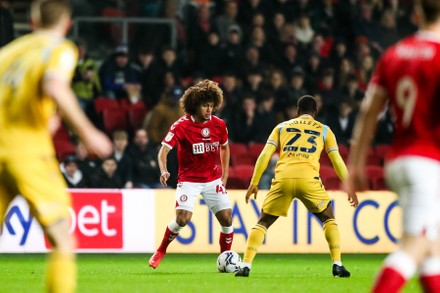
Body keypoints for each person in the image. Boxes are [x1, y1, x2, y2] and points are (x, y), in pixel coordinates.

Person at [0, 1, 112, 293]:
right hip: (25, 150)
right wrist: (88, 133)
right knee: (63, 238)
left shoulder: (8, 52)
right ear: (67, 24)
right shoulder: (59, 48)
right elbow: (53, 85)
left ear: (33, 20)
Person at [345, 1, 440, 292]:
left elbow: (369, 112)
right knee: (413, 247)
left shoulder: (394, 54)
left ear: (416, 14)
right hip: (427, 162)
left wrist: (356, 165)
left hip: (398, 160)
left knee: (433, 253)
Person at [235, 95, 359, 278]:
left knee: (263, 222)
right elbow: (337, 161)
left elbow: (264, 155)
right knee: (327, 217)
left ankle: (245, 265)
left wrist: (254, 183)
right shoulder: (325, 130)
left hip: (283, 177)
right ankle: (337, 264)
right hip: (308, 179)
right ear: (315, 113)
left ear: (298, 111)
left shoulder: (281, 127)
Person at [149, 79, 233, 269]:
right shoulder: (181, 125)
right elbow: (163, 151)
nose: (209, 110)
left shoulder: (219, 125)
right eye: (205, 105)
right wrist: (164, 170)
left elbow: (225, 148)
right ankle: (161, 250)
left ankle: (224, 258)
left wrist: (224, 175)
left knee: (227, 219)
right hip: (189, 180)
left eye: (211, 105)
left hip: (212, 179)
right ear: (195, 105)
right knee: (182, 219)